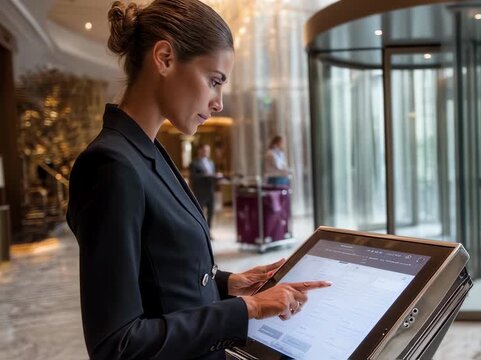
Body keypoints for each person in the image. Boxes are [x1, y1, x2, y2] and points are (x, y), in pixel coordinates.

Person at [65, 1, 331, 359]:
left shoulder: (147, 152)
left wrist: (227, 285)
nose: (219, 102)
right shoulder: (112, 164)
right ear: (164, 58)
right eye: (214, 81)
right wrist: (247, 310)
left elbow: (157, 277)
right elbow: (117, 344)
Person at [190, 144, 216, 228]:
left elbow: (213, 176)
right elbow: (193, 177)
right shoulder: (194, 163)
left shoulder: (211, 163)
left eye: (208, 151)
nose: (207, 152)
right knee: (200, 213)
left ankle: (209, 231)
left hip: (210, 191)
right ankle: (201, 229)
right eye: (205, 150)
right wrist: (205, 175)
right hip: (200, 192)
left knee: (211, 212)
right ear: (200, 151)